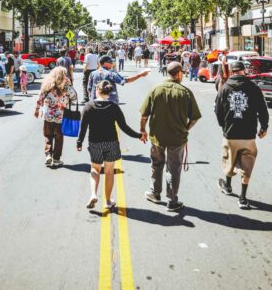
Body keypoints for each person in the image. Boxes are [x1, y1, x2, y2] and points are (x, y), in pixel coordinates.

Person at [139, 62, 201, 212]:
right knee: (173, 168)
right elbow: (194, 118)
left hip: (157, 137)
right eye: (183, 73)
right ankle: (172, 201)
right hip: (177, 138)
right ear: (178, 73)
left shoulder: (155, 89)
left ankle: (155, 193)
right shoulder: (185, 92)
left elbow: (144, 115)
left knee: (156, 164)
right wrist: (185, 130)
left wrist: (143, 130)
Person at [77, 80, 146, 209]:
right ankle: (108, 201)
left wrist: (79, 142)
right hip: (111, 142)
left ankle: (93, 194)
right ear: (108, 92)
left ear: (97, 90)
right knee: (109, 172)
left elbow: (83, 127)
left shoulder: (88, 106)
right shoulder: (114, 107)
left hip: (95, 142)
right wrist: (139, 135)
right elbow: (124, 127)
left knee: (95, 169)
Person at [214, 61, 269, 209]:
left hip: (230, 132)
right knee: (247, 164)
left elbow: (218, 110)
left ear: (232, 72)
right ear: (244, 71)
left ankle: (228, 185)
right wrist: (264, 127)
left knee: (229, 159)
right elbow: (263, 109)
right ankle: (243, 198)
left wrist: (223, 125)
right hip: (248, 133)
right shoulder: (253, 87)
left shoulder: (224, 88)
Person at [34, 67, 77, 167]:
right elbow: (74, 97)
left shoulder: (48, 85)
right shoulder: (66, 86)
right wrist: (69, 85)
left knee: (48, 135)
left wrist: (36, 109)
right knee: (59, 137)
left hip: (48, 115)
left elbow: (40, 98)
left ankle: (48, 155)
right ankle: (56, 159)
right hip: (60, 116)